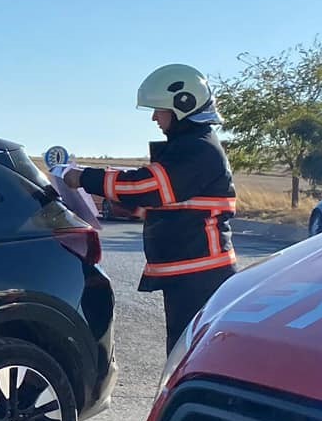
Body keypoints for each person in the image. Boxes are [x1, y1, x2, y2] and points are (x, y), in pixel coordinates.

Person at [64, 63, 237, 350]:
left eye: (160, 109)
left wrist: (84, 177)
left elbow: (148, 186)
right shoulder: (190, 146)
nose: (155, 117)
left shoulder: (200, 149)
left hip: (201, 275)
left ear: (183, 104)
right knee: (185, 350)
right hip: (190, 272)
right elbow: (166, 201)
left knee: (192, 352)